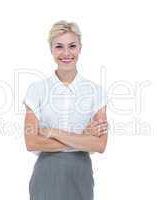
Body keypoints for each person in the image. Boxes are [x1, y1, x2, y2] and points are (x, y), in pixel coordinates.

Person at [23, 20, 108, 200]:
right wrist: (83, 137)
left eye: (72, 46)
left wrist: (52, 132)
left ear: (80, 48)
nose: (66, 53)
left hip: (81, 174)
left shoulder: (96, 92)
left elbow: (99, 145)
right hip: (46, 174)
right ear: (51, 49)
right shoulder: (37, 90)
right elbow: (32, 142)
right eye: (59, 46)